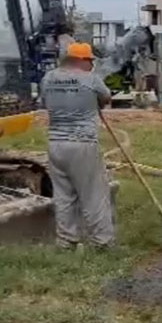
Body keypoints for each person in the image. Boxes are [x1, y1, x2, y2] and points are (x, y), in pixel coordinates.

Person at [41, 42, 115, 249]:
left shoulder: (49, 78)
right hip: (82, 144)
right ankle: (102, 242)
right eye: (90, 61)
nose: (92, 65)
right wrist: (94, 101)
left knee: (63, 196)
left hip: (56, 144)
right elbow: (106, 97)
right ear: (81, 60)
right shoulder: (90, 79)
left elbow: (46, 101)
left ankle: (66, 242)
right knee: (94, 195)